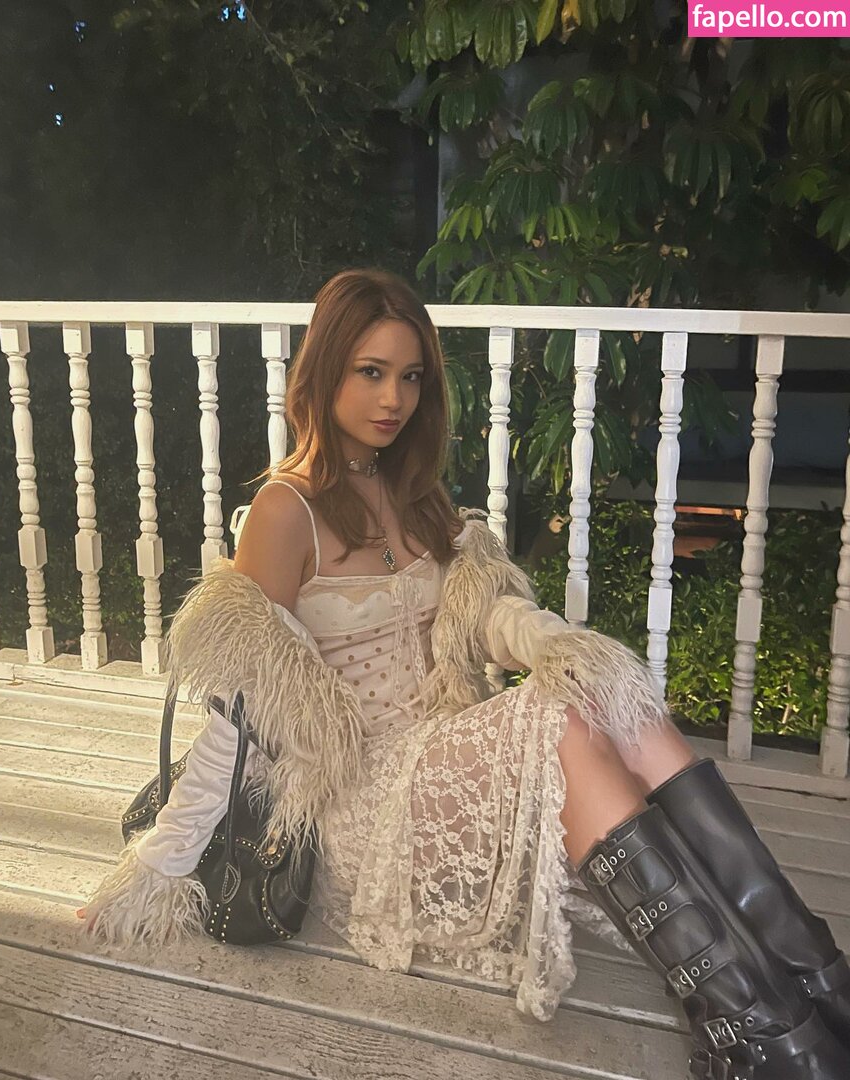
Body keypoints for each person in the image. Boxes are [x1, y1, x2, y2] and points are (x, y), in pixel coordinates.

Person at [82, 268, 850, 1078]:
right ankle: (759, 1026)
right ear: (325, 371)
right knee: (561, 720)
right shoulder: (286, 510)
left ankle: (808, 978)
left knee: (598, 684)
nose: (394, 399)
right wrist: (158, 865)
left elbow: (485, 610)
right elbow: (240, 711)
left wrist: (554, 643)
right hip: (364, 802)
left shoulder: (410, 490)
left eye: (411, 376)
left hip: (444, 761)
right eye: (371, 372)